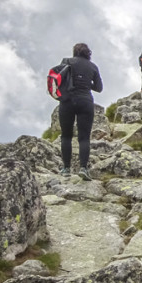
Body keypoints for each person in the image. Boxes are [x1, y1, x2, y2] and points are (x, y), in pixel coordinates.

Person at [58, 42, 103, 181]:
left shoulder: (67, 61)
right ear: (88, 53)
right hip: (86, 101)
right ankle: (83, 168)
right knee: (84, 138)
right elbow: (99, 88)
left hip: (67, 101)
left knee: (66, 136)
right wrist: (86, 81)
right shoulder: (93, 67)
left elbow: (59, 79)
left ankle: (66, 168)